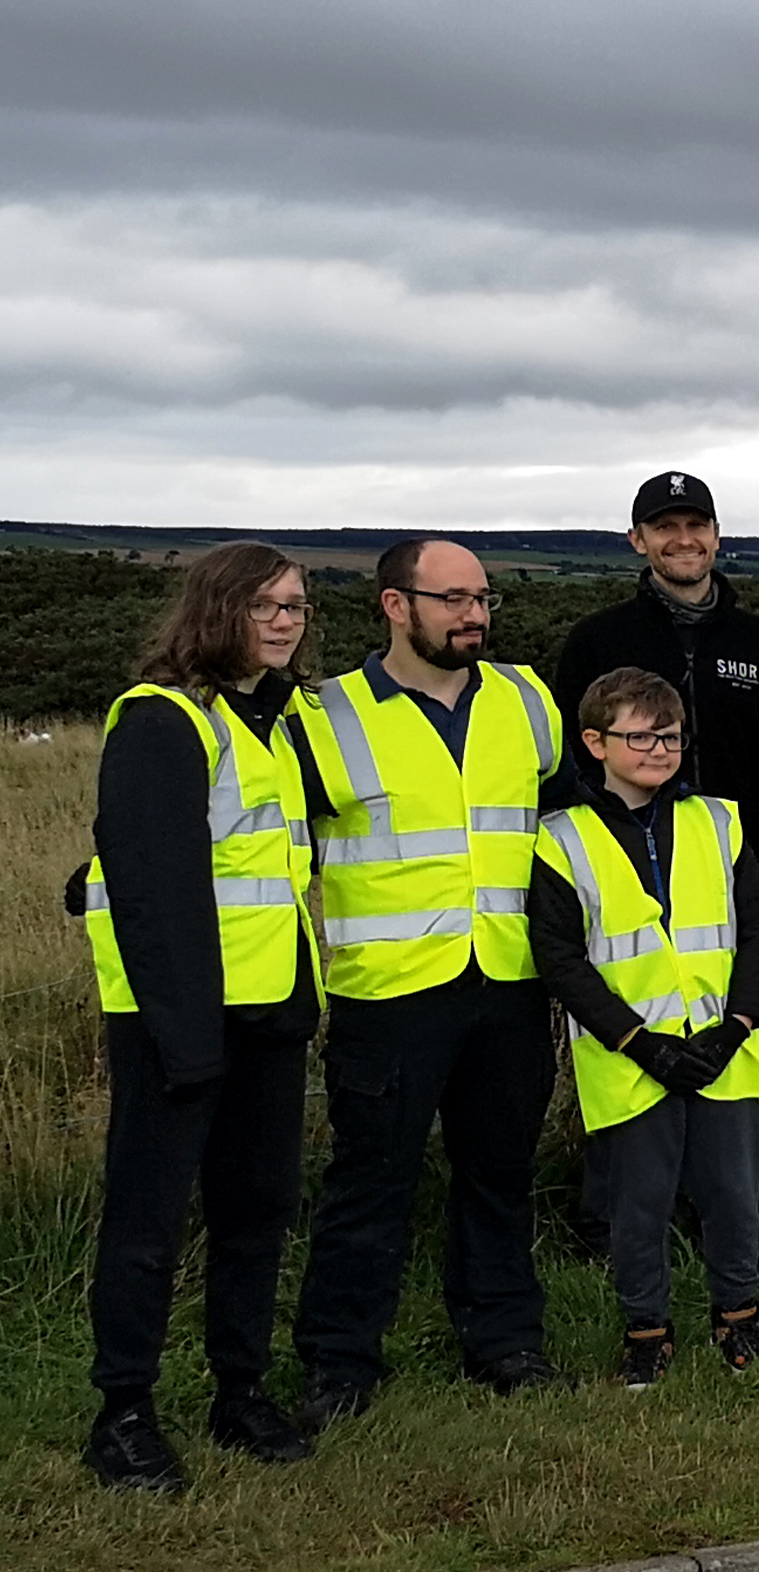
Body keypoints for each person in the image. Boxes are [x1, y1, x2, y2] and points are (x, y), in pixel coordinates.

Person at [287, 538, 567, 1421]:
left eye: (483, 598)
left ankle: (505, 1340)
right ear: (395, 606)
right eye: (451, 600)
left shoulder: (529, 701)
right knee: (370, 1182)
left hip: (511, 981)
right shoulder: (324, 715)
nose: (473, 616)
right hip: (390, 991)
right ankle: (339, 1364)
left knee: (499, 1171)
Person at [71, 543, 320, 1492]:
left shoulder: (271, 721)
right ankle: (123, 1412)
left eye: (295, 605)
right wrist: (187, 1038)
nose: (286, 621)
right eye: (265, 606)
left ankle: (239, 1389)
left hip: (269, 1008)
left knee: (257, 1210)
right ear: (216, 610)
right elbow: (149, 882)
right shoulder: (160, 718)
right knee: (149, 1219)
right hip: (179, 1020)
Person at [531, 672, 759, 1387]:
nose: (657, 749)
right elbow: (561, 959)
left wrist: (737, 1026)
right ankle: (647, 1331)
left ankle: (739, 1320)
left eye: (669, 736)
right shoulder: (560, 838)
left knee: (735, 1195)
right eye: (638, 736)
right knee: (636, 1206)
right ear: (595, 743)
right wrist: (639, 1043)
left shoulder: (718, 820)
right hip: (630, 1056)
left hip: (724, 1050)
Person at [550, 472, 759, 952]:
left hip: (747, 871)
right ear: (638, 540)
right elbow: (570, 759)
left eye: (697, 525)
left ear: (716, 536)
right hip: (624, 870)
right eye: (665, 527)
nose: (683, 540)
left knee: (749, 1014)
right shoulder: (597, 641)